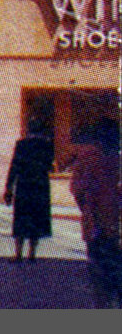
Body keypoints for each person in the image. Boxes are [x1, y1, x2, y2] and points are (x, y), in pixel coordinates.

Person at [69, 119, 120, 308]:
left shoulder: (87, 158)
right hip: (115, 227)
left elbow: (76, 189)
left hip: (96, 226)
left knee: (100, 278)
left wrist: (87, 210)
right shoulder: (116, 160)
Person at [3, 116, 56, 262]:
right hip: (40, 186)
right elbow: (50, 165)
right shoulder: (47, 145)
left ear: (28, 129)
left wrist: (9, 188)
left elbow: (14, 166)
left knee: (21, 219)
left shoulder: (22, 145)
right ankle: (32, 253)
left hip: (24, 185)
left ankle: (18, 254)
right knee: (36, 218)